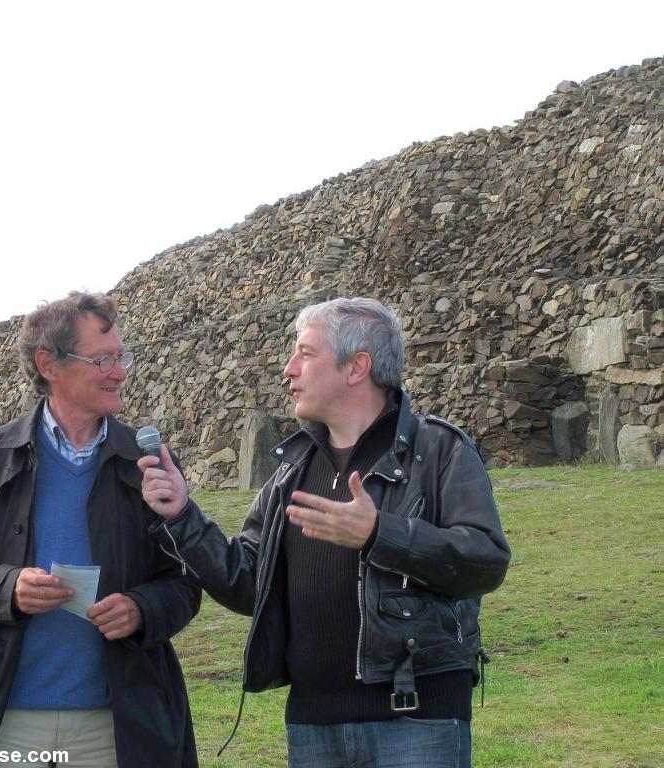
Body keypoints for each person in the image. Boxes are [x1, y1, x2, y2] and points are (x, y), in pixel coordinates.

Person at [139, 297, 510, 768]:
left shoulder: (439, 450)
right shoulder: (292, 470)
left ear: (357, 367)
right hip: (312, 725)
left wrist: (380, 533)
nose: (289, 369)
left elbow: (485, 561)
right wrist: (181, 515)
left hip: (416, 717)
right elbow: (249, 584)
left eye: (306, 354)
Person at [0, 291, 200, 768]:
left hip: (119, 726)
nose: (120, 372)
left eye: (121, 356)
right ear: (48, 364)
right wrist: (7, 588)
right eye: (103, 359)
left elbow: (186, 582)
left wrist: (142, 609)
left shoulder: (148, 461)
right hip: (3, 722)